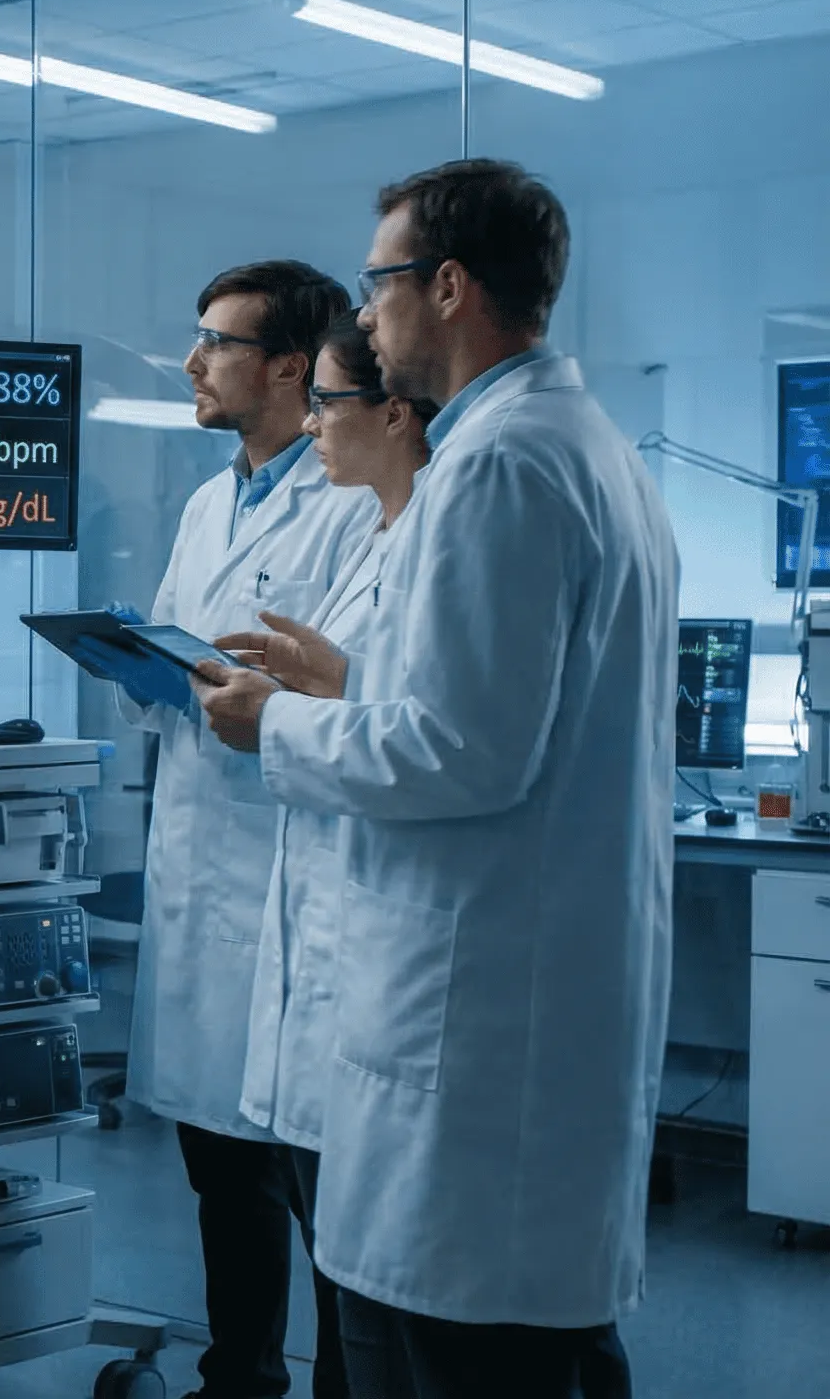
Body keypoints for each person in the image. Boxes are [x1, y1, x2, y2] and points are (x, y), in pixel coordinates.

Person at [196, 159, 673, 1399]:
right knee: (537, 1353)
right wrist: (348, 686)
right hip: (525, 1005)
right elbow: (502, 713)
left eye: (377, 282)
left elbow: (462, 752)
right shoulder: (584, 450)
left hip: (474, 1036)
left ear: (447, 287)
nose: (367, 313)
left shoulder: (496, 467)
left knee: (459, 1358)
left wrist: (276, 726)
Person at [98, 260, 372, 1399]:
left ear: (288, 368)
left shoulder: (355, 497)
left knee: (319, 1184)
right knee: (219, 1166)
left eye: (214, 341)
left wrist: (247, 700)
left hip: (288, 870)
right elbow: (179, 643)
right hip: (201, 856)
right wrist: (134, 660)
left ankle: (340, 1385)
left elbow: (363, 692)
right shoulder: (214, 497)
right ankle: (238, 1376)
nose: (192, 361)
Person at [221, 320, 433, 1303]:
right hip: (326, 935)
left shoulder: (439, 532)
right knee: (339, 1264)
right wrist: (320, 682)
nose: (310, 428)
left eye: (325, 404)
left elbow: (437, 743)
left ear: (392, 411)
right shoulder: (380, 532)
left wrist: (282, 722)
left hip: (390, 957)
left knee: (376, 1285)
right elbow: (382, 698)